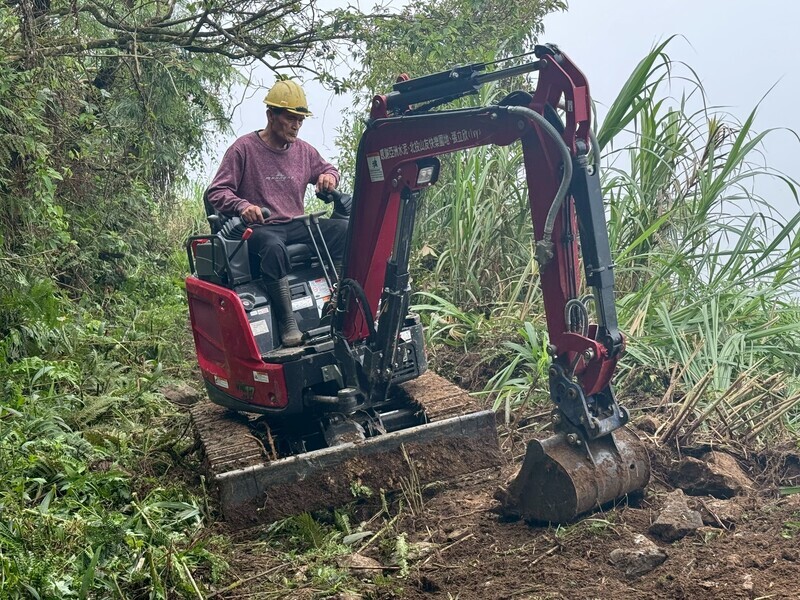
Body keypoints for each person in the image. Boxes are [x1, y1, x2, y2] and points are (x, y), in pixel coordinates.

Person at [207, 80, 347, 348]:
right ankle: (287, 320)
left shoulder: (304, 151)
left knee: (343, 230)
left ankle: (340, 302)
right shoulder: (243, 149)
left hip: (296, 223)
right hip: (263, 228)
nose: (296, 126)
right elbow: (217, 191)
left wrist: (329, 176)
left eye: (300, 120)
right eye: (291, 119)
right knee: (273, 247)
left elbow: (329, 169)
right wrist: (242, 206)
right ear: (271, 116)